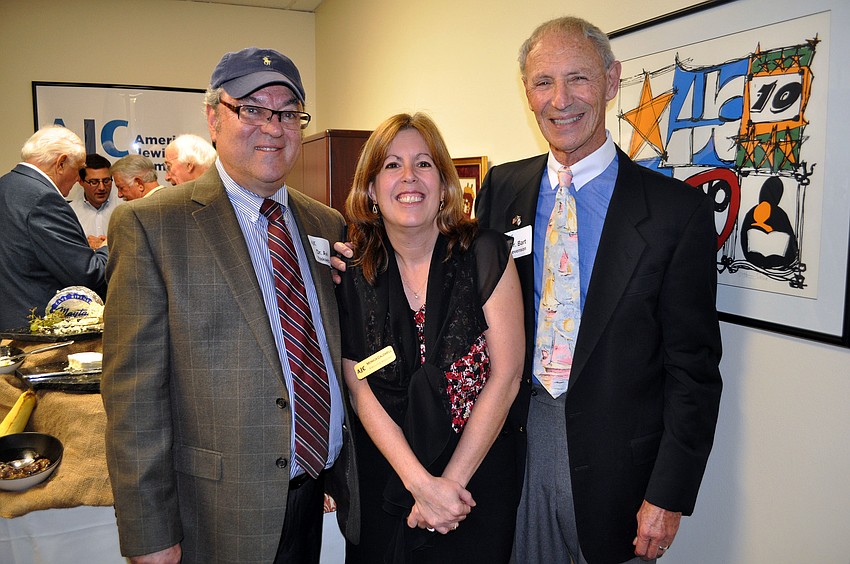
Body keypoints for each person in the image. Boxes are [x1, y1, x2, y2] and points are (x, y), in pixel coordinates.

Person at [473, 17, 723, 564]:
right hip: (511, 447)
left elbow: (694, 370)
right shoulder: (502, 189)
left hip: (620, 473)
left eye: (577, 79)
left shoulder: (675, 213)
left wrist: (669, 494)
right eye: (543, 83)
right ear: (527, 92)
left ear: (612, 81)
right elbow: (468, 311)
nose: (560, 100)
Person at [102, 47, 357, 564]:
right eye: (253, 109)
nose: (273, 126)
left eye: (288, 113)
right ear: (214, 117)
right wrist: (149, 534)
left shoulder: (325, 224)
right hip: (215, 511)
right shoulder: (153, 226)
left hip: (315, 498)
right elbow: (132, 399)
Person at [337, 113, 524, 563]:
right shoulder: (351, 269)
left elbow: (508, 376)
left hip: (474, 488)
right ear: (371, 189)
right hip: (388, 482)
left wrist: (447, 490)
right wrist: (420, 485)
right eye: (391, 165)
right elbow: (358, 386)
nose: (408, 177)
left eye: (423, 164)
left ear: (444, 183)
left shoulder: (485, 253)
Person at [0, 125, 108, 329]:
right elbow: (87, 274)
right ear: (61, 163)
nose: (78, 179)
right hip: (37, 332)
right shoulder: (44, 199)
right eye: (79, 170)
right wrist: (109, 246)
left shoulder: (5, 185)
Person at [69, 153, 121, 248]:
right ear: (80, 181)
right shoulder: (71, 212)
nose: (101, 188)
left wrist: (105, 245)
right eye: (94, 182)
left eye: (106, 181)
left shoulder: (124, 206)